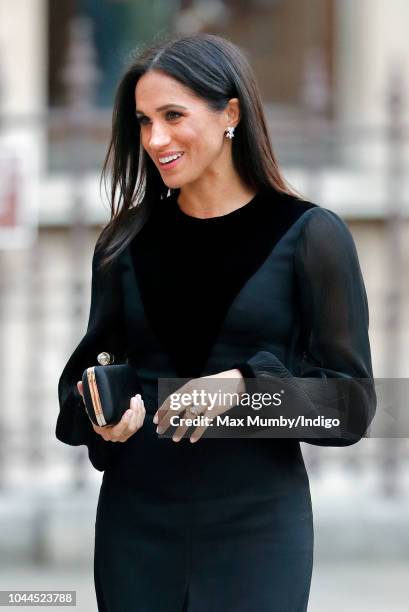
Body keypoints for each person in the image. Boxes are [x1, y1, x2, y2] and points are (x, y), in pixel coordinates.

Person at [56, 33, 376, 612]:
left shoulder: (311, 235)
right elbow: (84, 378)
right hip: (135, 524)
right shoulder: (123, 243)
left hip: (256, 530)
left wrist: (244, 390)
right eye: (143, 120)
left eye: (173, 115)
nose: (155, 139)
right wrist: (104, 411)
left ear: (231, 113)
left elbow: (353, 406)